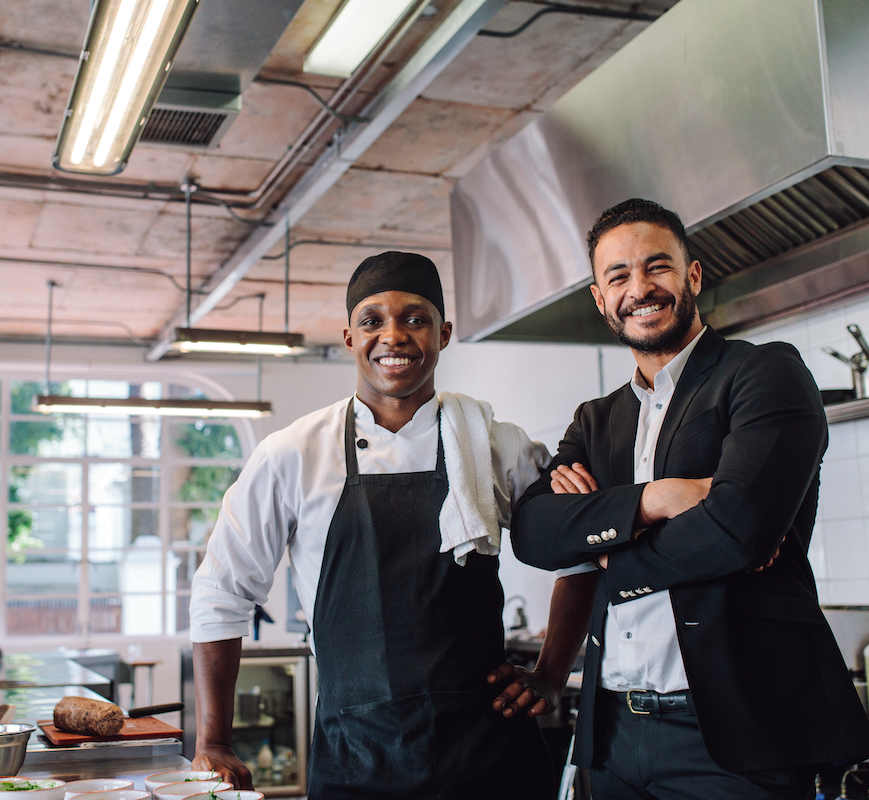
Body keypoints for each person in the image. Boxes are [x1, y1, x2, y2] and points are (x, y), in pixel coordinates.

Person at [188, 251, 598, 799]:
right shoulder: (292, 454)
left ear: (444, 333)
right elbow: (221, 592)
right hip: (358, 758)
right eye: (373, 320)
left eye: (415, 318)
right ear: (349, 337)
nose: (394, 336)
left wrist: (550, 674)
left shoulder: (498, 445)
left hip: (489, 755)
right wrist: (214, 739)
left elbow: (580, 552)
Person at [510, 199, 869, 799]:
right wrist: (655, 500)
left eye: (658, 267)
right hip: (610, 732)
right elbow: (533, 533)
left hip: (733, 737)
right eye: (618, 276)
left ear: (693, 277)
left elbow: (738, 529)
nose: (640, 288)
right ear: (601, 300)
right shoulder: (596, 421)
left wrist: (607, 548)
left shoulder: (763, 374)